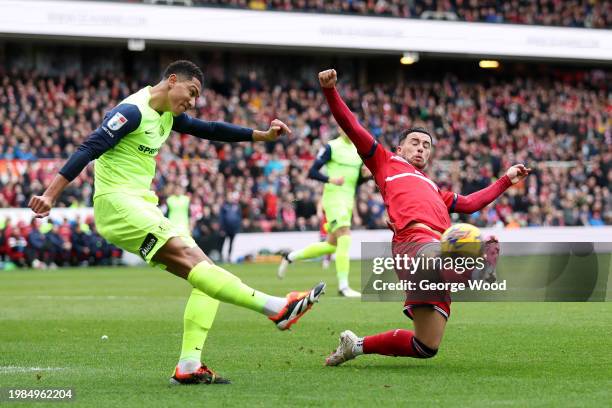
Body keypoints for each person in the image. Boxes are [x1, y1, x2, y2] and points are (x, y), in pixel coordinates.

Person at [28, 60, 325, 385]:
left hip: (140, 205)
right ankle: (278, 308)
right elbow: (88, 148)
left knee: (207, 275)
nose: (193, 101)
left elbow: (209, 129)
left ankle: (188, 365)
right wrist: (50, 195)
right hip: (119, 205)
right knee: (203, 268)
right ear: (172, 81)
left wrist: (261, 136)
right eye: (192, 92)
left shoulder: (166, 115)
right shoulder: (133, 111)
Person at [317, 69, 530, 366]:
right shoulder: (385, 162)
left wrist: (506, 180)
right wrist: (330, 91)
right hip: (413, 242)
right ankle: (473, 266)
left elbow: (469, 203)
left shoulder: (434, 188)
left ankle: (356, 345)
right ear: (400, 148)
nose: (421, 148)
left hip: (437, 250)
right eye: (415, 142)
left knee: (426, 346)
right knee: (451, 250)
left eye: (426, 145)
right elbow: (352, 127)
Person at [278, 132, 362, 297]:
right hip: (333, 198)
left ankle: (290, 256)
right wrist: (331, 180)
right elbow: (312, 172)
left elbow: (354, 180)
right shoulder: (332, 147)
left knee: (331, 245)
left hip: (348, 200)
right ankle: (343, 286)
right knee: (345, 234)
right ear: (340, 128)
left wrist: (365, 177)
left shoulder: (357, 151)